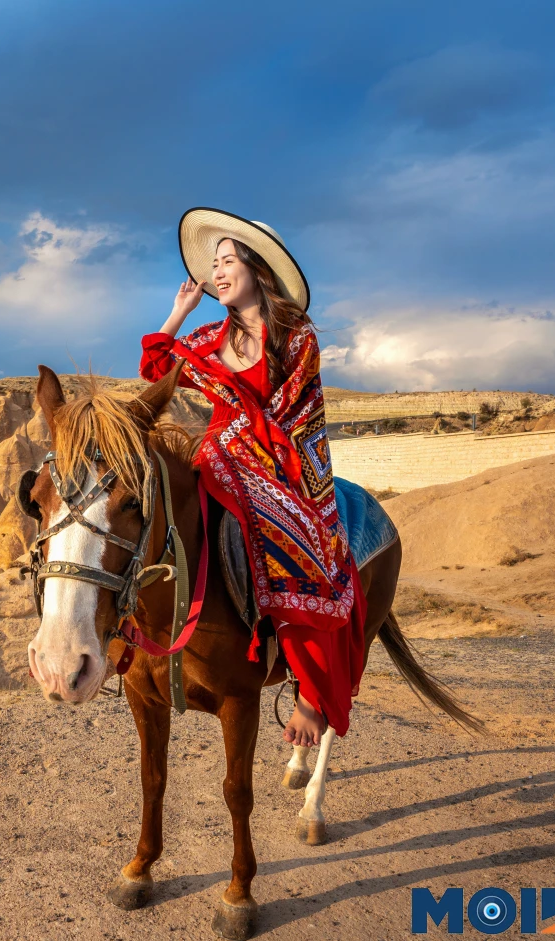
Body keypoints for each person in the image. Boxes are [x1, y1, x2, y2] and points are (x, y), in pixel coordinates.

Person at [138, 208, 366, 748]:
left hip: (283, 458)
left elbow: (295, 413)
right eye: (213, 264)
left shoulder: (296, 336)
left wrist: (247, 439)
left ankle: (309, 694)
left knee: (305, 546)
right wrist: (177, 311)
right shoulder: (207, 335)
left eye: (227, 261)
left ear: (257, 269)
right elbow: (155, 367)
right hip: (220, 453)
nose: (217, 273)